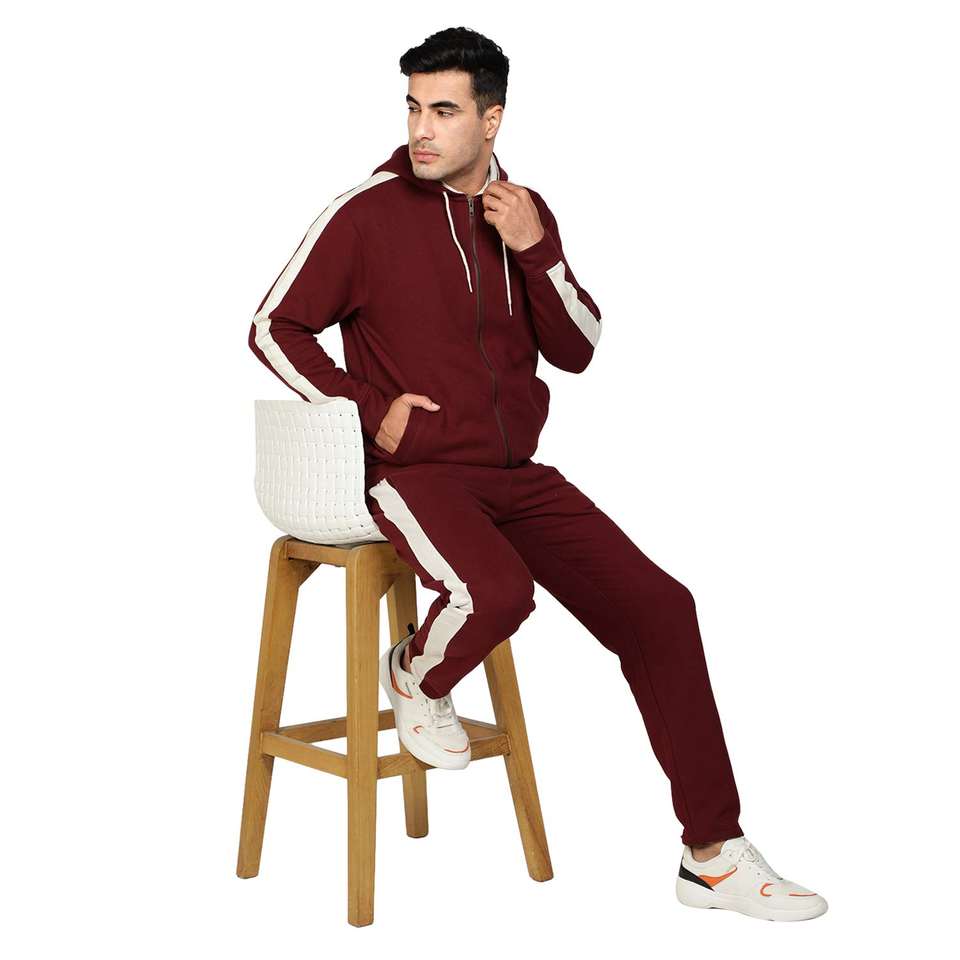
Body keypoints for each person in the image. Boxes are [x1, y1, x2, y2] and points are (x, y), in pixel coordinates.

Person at [247, 26, 827, 923]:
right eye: (413, 107)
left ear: (492, 119)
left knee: (661, 609)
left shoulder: (523, 211)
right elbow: (271, 325)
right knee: (496, 592)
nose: (421, 129)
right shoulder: (366, 214)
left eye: (444, 110)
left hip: (517, 473)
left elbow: (579, 348)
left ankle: (712, 856)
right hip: (416, 472)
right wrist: (370, 407)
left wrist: (536, 250)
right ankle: (416, 672)